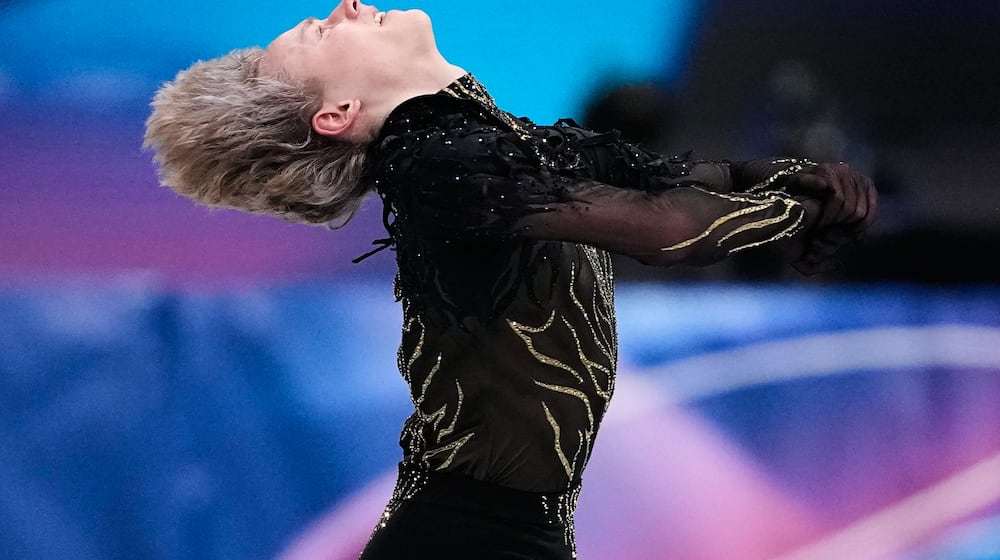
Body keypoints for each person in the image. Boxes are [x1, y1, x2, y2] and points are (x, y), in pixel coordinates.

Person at [142, 1, 877, 558]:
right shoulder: (440, 165)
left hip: (501, 533)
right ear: (337, 114)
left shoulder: (489, 142)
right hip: (464, 537)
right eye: (322, 33)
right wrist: (796, 211)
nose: (346, 6)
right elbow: (668, 228)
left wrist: (800, 182)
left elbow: (669, 177)